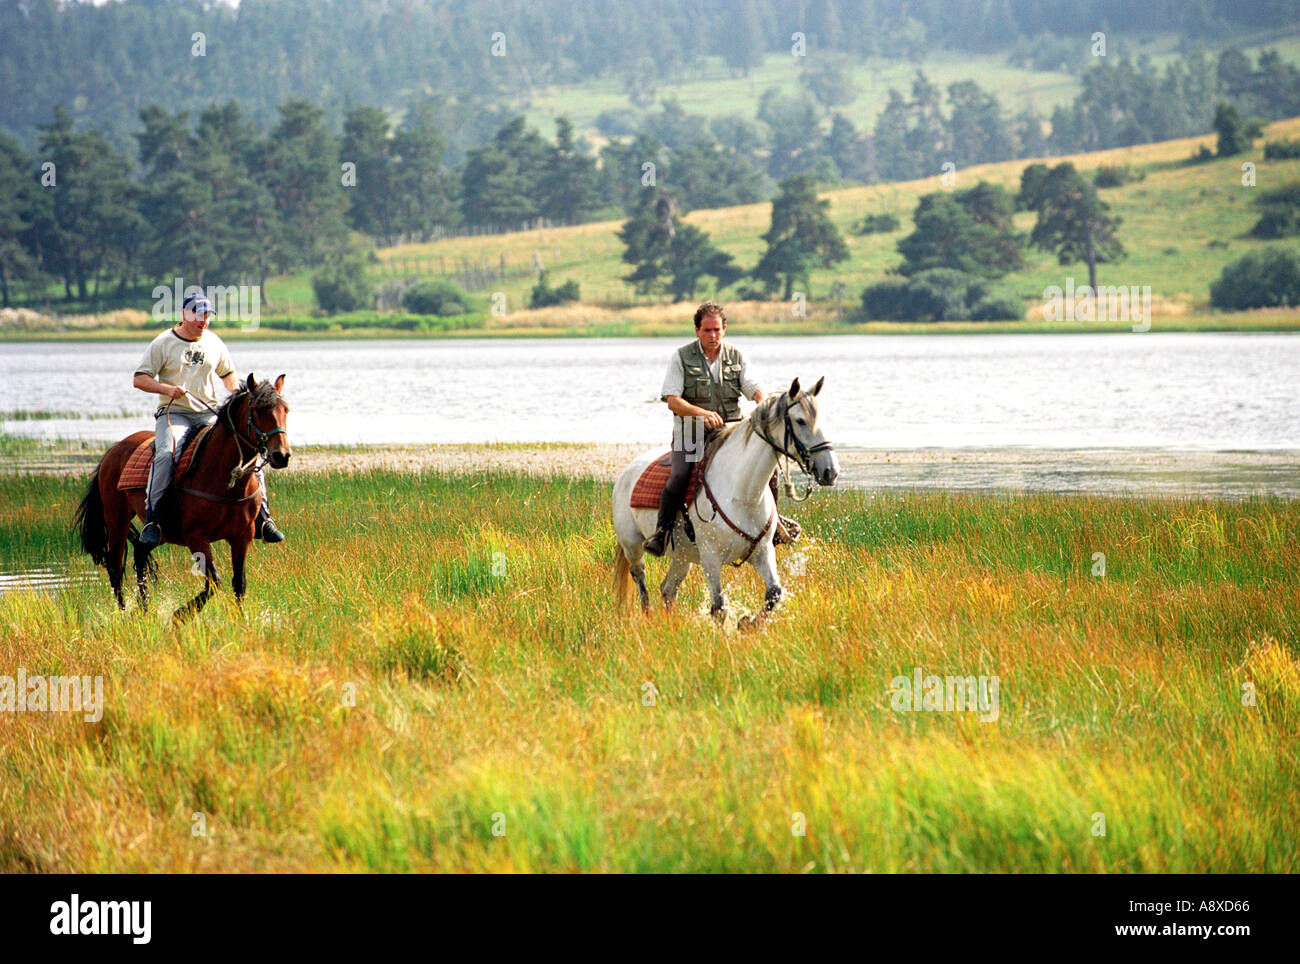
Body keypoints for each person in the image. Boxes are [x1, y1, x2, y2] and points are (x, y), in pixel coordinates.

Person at [643, 301, 798, 557]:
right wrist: (702, 413)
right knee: (680, 475)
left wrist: (763, 404)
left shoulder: (737, 356)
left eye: (717, 330)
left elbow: (754, 388)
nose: (712, 335)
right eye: (707, 330)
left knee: (769, 469)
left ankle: (774, 525)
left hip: (731, 430)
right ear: (696, 331)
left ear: (724, 329)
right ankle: (662, 533)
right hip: (691, 429)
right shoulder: (681, 357)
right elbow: (672, 400)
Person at [132, 293, 284, 547]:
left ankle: (264, 518)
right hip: (175, 413)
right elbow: (139, 379)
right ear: (184, 315)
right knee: (165, 455)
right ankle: (154, 518)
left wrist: (237, 394)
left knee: (249, 452)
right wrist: (167, 389)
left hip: (208, 415)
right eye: (197, 315)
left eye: (206, 315)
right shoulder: (162, 343)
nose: (203, 321)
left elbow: (228, 374)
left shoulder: (214, 342)